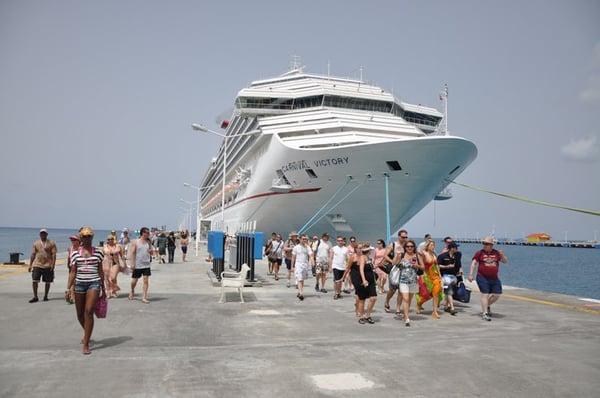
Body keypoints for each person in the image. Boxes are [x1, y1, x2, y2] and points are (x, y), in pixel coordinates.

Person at [67, 226, 105, 355]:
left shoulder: (98, 252)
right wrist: (68, 288)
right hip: (79, 284)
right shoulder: (75, 254)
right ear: (81, 238)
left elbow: (100, 271)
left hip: (93, 283)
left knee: (88, 311)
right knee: (80, 314)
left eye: (89, 236)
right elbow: (73, 272)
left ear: (92, 237)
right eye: (85, 236)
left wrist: (104, 288)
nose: (87, 238)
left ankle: (87, 343)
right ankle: (87, 333)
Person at [468, 236, 508, 321]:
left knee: (496, 295)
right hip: (482, 277)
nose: (485, 245)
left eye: (487, 244)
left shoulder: (496, 253)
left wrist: (502, 255)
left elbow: (505, 261)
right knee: (484, 294)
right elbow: (474, 263)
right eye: (484, 243)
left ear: (491, 245)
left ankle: (487, 305)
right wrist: (471, 274)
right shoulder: (480, 253)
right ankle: (485, 313)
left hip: (494, 278)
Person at [394, 240, 424, 326]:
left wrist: (416, 266)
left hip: (413, 281)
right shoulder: (402, 255)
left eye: (411, 246)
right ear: (405, 247)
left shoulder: (417, 256)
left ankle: (405, 314)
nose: (409, 248)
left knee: (409, 300)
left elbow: (423, 267)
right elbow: (394, 264)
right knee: (406, 299)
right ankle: (407, 318)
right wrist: (397, 256)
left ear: (414, 247)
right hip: (403, 281)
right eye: (407, 246)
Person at [345, 242, 377, 324]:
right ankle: (362, 316)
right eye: (369, 250)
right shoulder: (362, 257)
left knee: (373, 298)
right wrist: (363, 280)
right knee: (362, 299)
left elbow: (371, 268)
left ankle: (368, 315)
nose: (370, 251)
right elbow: (361, 270)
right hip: (363, 280)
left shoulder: (369, 258)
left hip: (371, 281)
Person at [415, 240, 443, 319]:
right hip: (427, 277)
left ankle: (435, 312)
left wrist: (440, 274)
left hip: (435, 277)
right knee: (426, 295)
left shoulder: (434, 254)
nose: (433, 247)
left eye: (434, 245)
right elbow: (418, 253)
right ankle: (419, 304)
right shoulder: (424, 253)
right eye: (431, 245)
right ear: (427, 246)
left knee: (436, 293)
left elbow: (436, 265)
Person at [28, 228, 57, 303]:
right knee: (34, 280)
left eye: (44, 233)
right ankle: (35, 296)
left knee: (48, 281)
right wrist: (30, 265)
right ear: (39, 234)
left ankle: (45, 296)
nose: (43, 235)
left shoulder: (51, 243)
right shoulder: (36, 243)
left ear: (47, 234)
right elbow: (33, 254)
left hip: (48, 265)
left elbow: (54, 254)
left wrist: (53, 264)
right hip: (37, 264)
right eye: (41, 233)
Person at [383, 229, 408, 314]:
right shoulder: (393, 245)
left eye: (406, 237)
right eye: (403, 237)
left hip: (404, 269)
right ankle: (387, 301)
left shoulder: (407, 246)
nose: (404, 238)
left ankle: (398, 308)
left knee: (401, 290)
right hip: (394, 269)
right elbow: (385, 255)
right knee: (392, 289)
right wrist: (392, 262)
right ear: (399, 236)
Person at [437, 242, 462, 315]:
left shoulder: (457, 256)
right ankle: (452, 308)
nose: (457, 249)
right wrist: (447, 266)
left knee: (448, 292)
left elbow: (459, 265)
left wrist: (460, 271)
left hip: (454, 276)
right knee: (449, 291)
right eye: (455, 248)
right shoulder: (442, 256)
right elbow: (438, 266)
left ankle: (445, 306)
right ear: (451, 248)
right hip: (445, 276)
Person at [130, 227, 153, 303]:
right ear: (143, 233)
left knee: (146, 281)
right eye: (147, 232)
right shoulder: (136, 242)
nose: (148, 234)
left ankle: (144, 297)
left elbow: (151, 252)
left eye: (148, 233)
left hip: (146, 264)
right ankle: (132, 290)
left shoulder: (149, 242)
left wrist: (150, 251)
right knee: (134, 281)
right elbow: (133, 253)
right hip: (138, 264)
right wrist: (132, 263)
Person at [292, 234, 314, 301]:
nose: (304, 240)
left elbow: (311, 255)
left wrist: (313, 262)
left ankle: (299, 291)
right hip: (298, 264)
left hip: (305, 265)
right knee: (299, 279)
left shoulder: (308, 247)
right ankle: (301, 294)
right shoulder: (296, 247)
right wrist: (292, 266)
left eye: (305, 239)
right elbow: (293, 257)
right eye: (303, 239)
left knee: (302, 279)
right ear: (300, 239)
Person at [329, 235, 348, 300]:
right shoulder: (333, 248)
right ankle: (336, 293)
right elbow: (330, 258)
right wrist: (330, 267)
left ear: (343, 241)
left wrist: (348, 267)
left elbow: (348, 259)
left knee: (340, 281)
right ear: (337, 241)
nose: (340, 242)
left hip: (343, 267)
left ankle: (339, 293)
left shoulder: (346, 249)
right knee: (337, 281)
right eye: (338, 241)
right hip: (335, 266)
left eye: (341, 241)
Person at [64, 235, 80, 304]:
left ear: (78, 241)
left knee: (77, 282)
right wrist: (68, 264)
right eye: (72, 240)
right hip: (72, 267)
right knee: (72, 282)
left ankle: (73, 295)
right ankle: (72, 296)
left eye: (74, 240)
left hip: (79, 268)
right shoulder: (70, 248)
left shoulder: (81, 249)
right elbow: (69, 257)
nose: (73, 241)